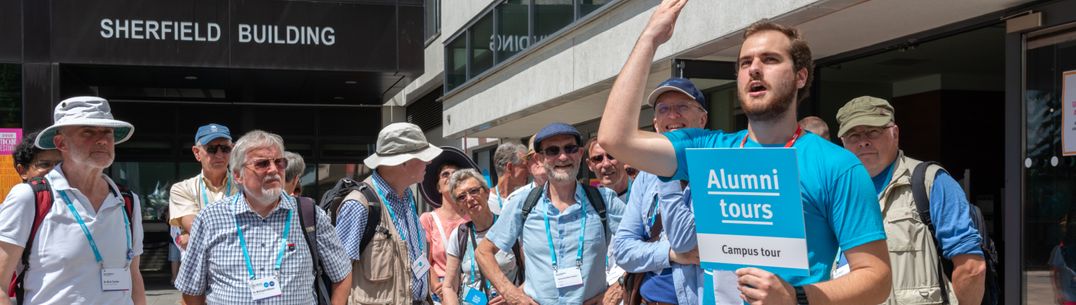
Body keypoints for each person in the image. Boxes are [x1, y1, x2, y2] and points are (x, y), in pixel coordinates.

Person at [597, 1, 892, 304]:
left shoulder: (836, 165)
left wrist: (796, 297)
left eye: (770, 59)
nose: (754, 68)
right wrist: (650, 38)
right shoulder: (708, 150)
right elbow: (614, 138)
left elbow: (877, 277)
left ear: (800, 77)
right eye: (745, 62)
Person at [836, 96, 986, 305]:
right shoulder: (837, 190)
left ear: (894, 133)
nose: (863, 141)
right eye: (853, 135)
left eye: (873, 131)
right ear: (842, 143)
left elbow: (972, 268)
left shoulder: (930, 182)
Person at [175, 130, 352, 305]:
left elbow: (341, 274)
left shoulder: (309, 214)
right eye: (262, 163)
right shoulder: (209, 219)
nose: (274, 169)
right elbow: (191, 293)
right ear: (238, 175)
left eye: (280, 162)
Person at [0, 96, 146, 304]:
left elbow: (134, 277)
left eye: (108, 132)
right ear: (61, 143)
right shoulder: (30, 197)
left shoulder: (127, 201)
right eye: (88, 131)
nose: (102, 140)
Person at [476, 122, 626, 305]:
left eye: (570, 148)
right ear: (540, 159)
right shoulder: (523, 202)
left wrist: (619, 287)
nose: (563, 157)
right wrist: (512, 295)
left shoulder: (603, 200)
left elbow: (642, 242)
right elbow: (483, 252)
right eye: (553, 151)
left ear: (579, 154)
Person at [611, 77, 712, 305]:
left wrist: (667, 168)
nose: (673, 116)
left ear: (703, 118)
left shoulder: (720, 170)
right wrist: (670, 254)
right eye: (664, 109)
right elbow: (623, 248)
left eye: (682, 107)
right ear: (656, 123)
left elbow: (687, 241)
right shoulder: (646, 175)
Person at [334, 122, 442, 305]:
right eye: (423, 157)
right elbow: (338, 273)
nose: (429, 162)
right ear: (403, 162)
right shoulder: (359, 205)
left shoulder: (408, 197)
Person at [441, 169, 520, 305]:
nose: (470, 199)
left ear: (487, 193)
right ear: (459, 205)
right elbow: (448, 286)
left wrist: (514, 294)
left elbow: (532, 275)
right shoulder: (460, 235)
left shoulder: (510, 227)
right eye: (462, 197)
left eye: (474, 191)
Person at [418, 147, 479, 304]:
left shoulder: (473, 218)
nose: (451, 177)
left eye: (456, 174)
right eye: (445, 174)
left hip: (471, 290)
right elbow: (421, 258)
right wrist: (438, 287)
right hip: (439, 292)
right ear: (438, 186)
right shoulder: (428, 219)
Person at [169, 123, 239, 250]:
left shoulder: (245, 187)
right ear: (197, 152)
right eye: (211, 149)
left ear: (232, 150)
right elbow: (197, 228)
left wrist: (192, 237)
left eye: (225, 149)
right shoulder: (182, 189)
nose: (219, 155)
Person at [489, 143, 529, 215]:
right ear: (509, 167)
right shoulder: (486, 201)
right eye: (525, 167)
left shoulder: (524, 199)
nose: (529, 172)